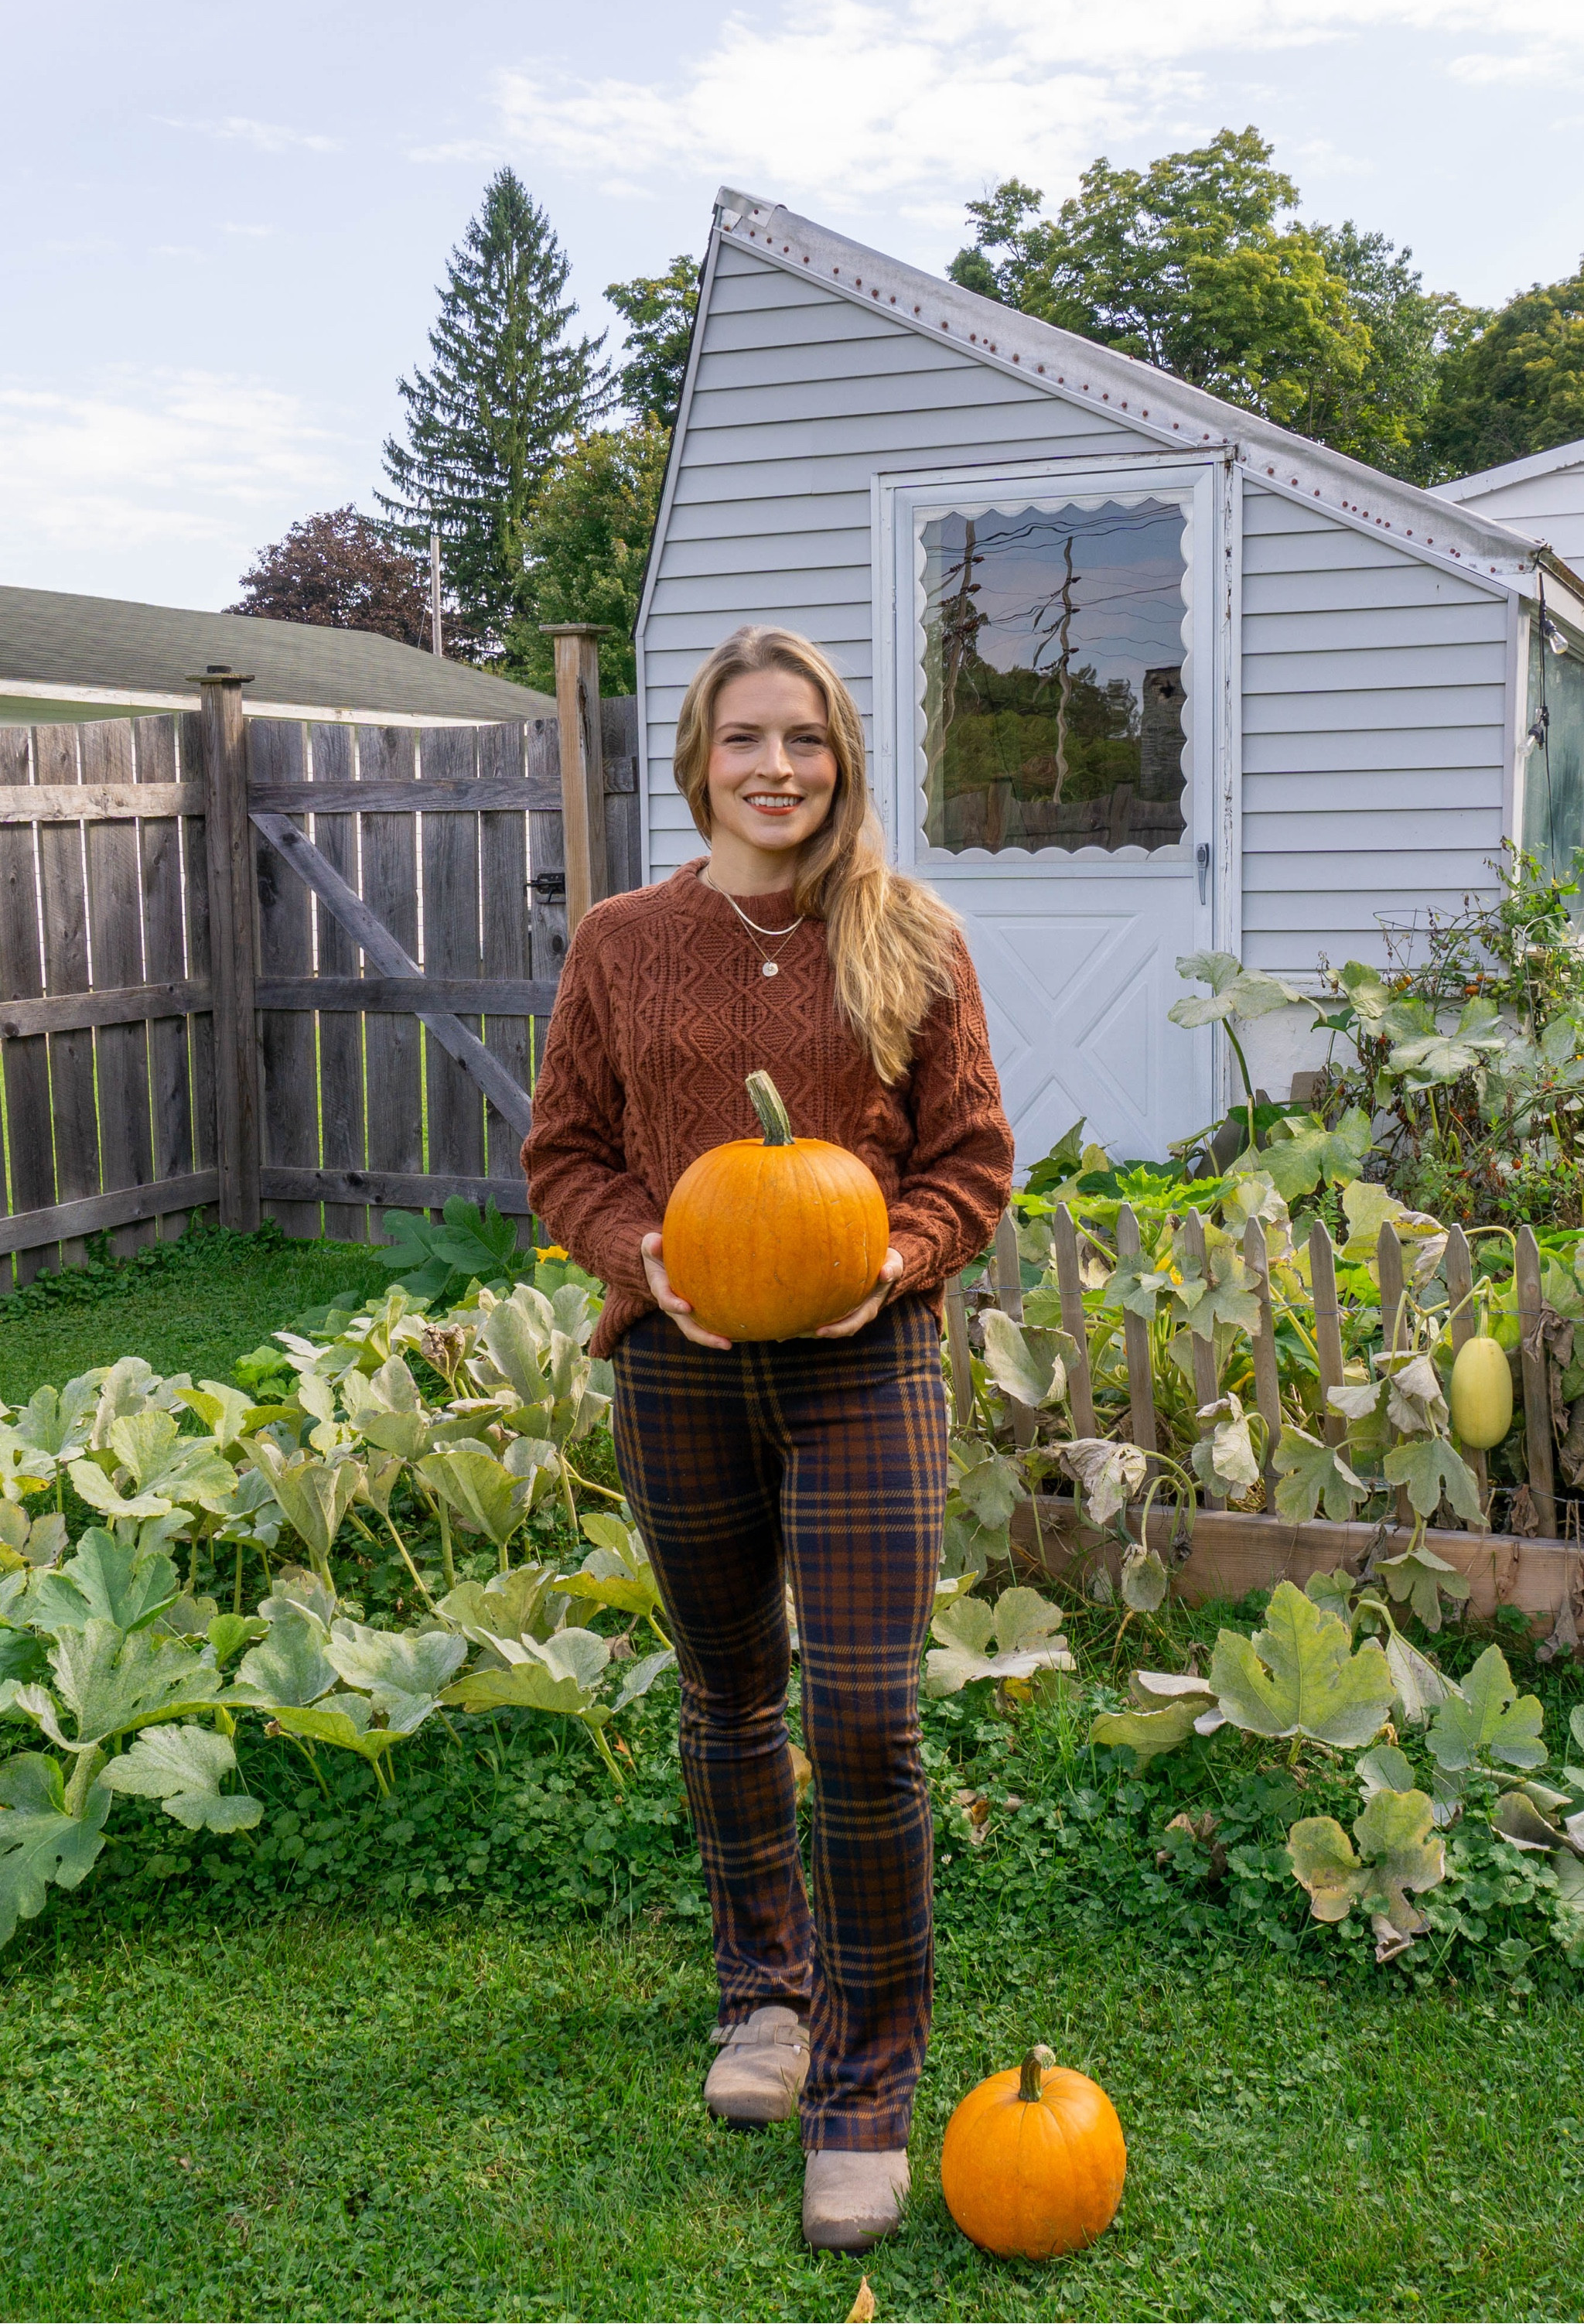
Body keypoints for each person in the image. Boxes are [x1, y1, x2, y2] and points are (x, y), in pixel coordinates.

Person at [525, 625, 1014, 2253]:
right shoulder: (621, 940)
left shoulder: (909, 936)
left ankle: (867, 2082)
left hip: (862, 1368)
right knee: (730, 1689)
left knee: (864, 1718)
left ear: (842, 756)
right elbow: (566, 1153)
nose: (777, 768)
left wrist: (889, 1258)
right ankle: (767, 1995)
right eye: (747, 739)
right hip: (678, 1364)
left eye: (804, 739)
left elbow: (972, 1165)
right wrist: (641, 1258)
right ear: (697, 757)